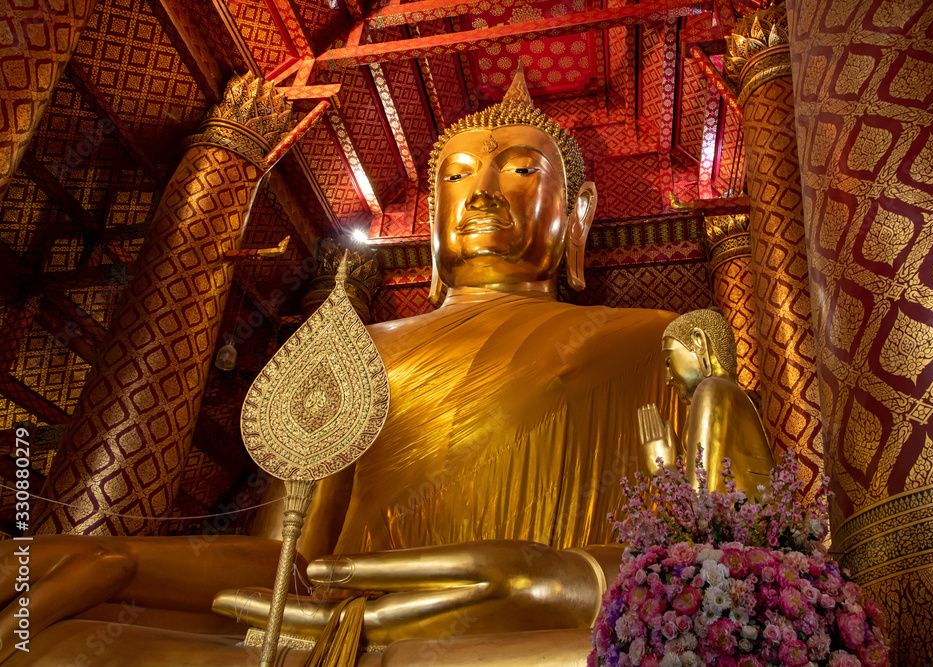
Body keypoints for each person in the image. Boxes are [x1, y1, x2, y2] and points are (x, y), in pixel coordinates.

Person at [0, 67, 680, 666]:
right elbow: (287, 563)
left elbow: (731, 564)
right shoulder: (356, 349)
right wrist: (116, 562)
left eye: (522, 170)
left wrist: (557, 578)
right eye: (456, 175)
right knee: (46, 646)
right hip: (338, 639)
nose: (483, 192)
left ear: (580, 214)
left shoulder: (656, 341)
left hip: (529, 641)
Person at [638, 309, 775, 493]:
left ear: (699, 342)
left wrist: (664, 469)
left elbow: (702, 505)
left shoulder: (712, 389)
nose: (668, 379)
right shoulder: (737, 396)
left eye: (669, 361)